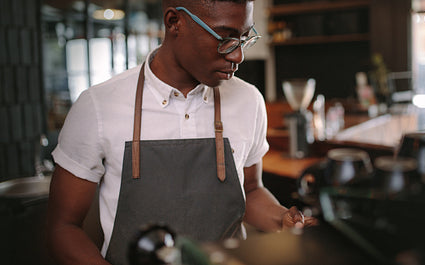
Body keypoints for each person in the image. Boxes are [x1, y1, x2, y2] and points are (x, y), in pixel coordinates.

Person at [47, 0, 316, 264]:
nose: (238, 56)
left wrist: (282, 219)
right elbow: (63, 227)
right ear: (175, 22)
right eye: (225, 39)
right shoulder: (98, 105)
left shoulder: (249, 100)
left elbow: (252, 190)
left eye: (244, 38)